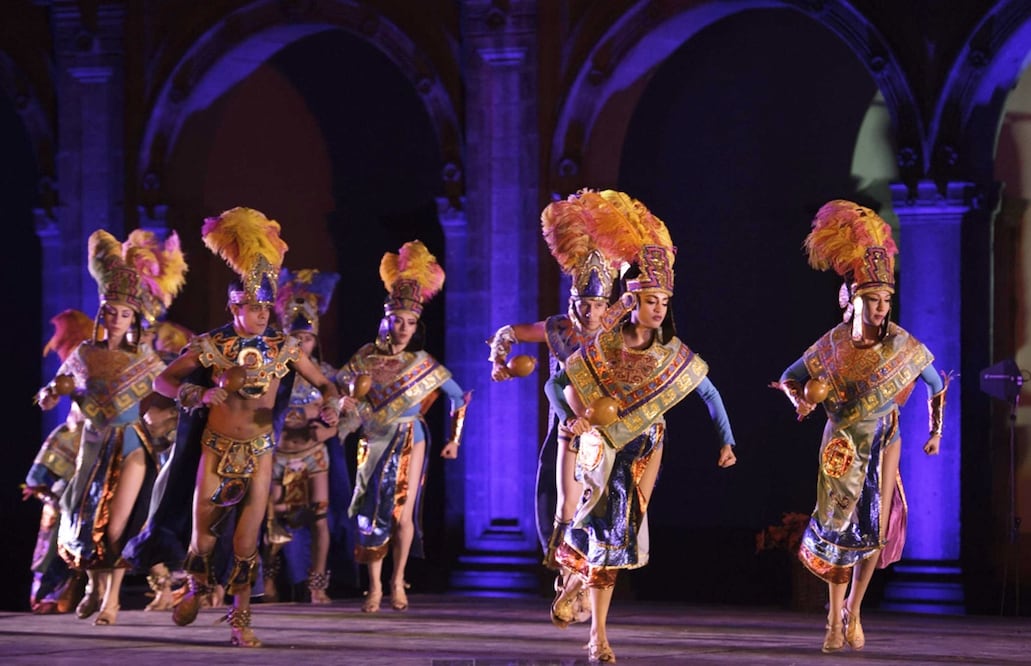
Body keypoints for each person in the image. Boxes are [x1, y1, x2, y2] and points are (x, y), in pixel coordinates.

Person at [549, 190, 738, 663]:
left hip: (647, 448)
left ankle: (580, 586)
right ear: (632, 301)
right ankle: (597, 634)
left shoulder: (672, 354)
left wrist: (726, 441)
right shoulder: (604, 348)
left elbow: (709, 394)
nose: (657, 309)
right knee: (603, 530)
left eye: (663, 302)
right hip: (600, 445)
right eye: (650, 300)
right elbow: (556, 384)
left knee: (622, 530)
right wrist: (570, 419)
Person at [152, 207, 350, 647]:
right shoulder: (212, 345)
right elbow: (162, 380)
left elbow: (325, 384)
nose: (262, 315)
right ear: (233, 306)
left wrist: (332, 405)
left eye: (266, 306)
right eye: (253, 307)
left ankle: (240, 619)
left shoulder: (285, 347)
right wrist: (197, 395)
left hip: (260, 449)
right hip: (215, 447)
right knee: (203, 535)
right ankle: (195, 584)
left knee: (246, 540)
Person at [772, 199, 947, 653]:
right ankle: (832, 619)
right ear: (853, 300)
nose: (881, 307)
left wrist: (935, 433)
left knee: (875, 528)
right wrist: (800, 402)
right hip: (843, 443)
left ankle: (854, 608)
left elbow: (935, 382)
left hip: (886, 438)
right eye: (872, 299)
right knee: (837, 528)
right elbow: (793, 377)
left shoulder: (900, 344)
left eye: (886, 299)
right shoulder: (831, 345)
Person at [34, 229, 187, 627]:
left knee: (116, 524)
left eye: (125, 313)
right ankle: (91, 589)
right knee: (82, 518)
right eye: (112, 312)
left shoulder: (148, 361)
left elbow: (169, 397)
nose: (118, 319)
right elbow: (56, 390)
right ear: (102, 313)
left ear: (134, 318)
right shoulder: (84, 355)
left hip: (131, 444)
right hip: (91, 444)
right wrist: (50, 395)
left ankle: (112, 601)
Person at [487, 190, 621, 580]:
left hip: (604, 427)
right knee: (560, 500)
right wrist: (498, 360)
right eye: (583, 303)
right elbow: (508, 331)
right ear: (572, 299)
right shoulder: (557, 330)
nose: (590, 312)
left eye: (598, 305)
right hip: (564, 425)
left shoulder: (616, 335)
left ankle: (589, 578)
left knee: (601, 501)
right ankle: (566, 575)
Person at [337, 240, 471, 614]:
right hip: (373, 437)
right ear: (386, 320)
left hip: (411, 436)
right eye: (398, 321)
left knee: (403, 512)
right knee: (371, 509)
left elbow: (459, 397)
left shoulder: (422, 362)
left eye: (411, 323)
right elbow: (339, 388)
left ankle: (397, 581)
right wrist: (343, 404)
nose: (404, 328)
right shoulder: (365, 356)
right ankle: (375, 587)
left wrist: (454, 441)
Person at [264, 267, 348, 604]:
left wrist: (331, 420)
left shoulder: (327, 375)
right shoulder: (271, 375)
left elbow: (349, 410)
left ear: (316, 340)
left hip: (314, 455)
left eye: (307, 338)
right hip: (278, 455)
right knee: (272, 519)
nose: (301, 344)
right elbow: (263, 414)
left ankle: (317, 584)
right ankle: (269, 583)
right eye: (294, 339)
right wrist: (303, 414)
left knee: (320, 518)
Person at [23, 309, 94, 614]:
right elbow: (49, 392)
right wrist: (49, 394)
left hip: (117, 443)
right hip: (76, 445)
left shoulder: (137, 354)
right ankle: (49, 592)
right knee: (56, 515)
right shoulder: (84, 355)